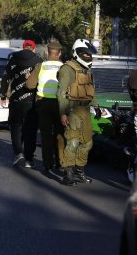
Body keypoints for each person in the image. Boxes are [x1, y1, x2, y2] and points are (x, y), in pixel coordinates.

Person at [56, 39, 100, 186]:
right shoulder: (67, 69)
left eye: (89, 54)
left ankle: (79, 171)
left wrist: (97, 106)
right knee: (73, 142)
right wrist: (63, 113)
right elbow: (61, 93)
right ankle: (68, 174)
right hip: (72, 110)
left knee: (87, 143)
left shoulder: (87, 70)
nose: (88, 56)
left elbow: (91, 90)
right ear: (77, 53)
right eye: (85, 54)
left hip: (85, 111)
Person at [0, 40, 43, 167]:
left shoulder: (13, 59)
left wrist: (3, 95)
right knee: (31, 130)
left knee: (15, 127)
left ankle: (18, 154)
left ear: (23, 48)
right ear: (33, 49)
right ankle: (29, 158)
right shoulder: (38, 61)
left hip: (15, 100)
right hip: (32, 101)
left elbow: (5, 78)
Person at [26, 41, 64, 172]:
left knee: (46, 134)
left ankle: (48, 164)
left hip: (43, 103)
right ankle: (61, 162)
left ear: (48, 53)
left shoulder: (40, 66)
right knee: (60, 133)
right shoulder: (64, 67)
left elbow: (30, 85)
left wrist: (28, 78)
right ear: (60, 54)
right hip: (60, 104)